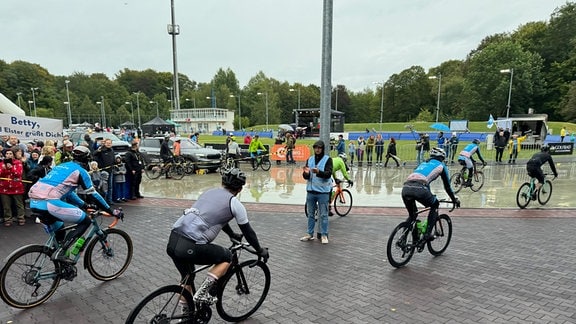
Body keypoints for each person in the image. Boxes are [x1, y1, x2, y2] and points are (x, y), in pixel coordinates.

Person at [166, 168, 269, 305]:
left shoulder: (209, 192)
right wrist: (260, 250)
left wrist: (231, 234)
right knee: (227, 256)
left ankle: (186, 317)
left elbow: (218, 219)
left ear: (222, 182)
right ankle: (202, 295)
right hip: (191, 244)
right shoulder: (235, 203)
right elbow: (248, 232)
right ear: (240, 189)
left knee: (187, 278)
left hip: (173, 239)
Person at [28, 146, 121, 263]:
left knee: (60, 229)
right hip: (49, 202)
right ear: (88, 159)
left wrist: (84, 205)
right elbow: (93, 194)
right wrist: (111, 211)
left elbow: (67, 193)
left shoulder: (61, 166)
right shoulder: (81, 171)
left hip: (34, 201)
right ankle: (61, 252)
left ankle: (60, 263)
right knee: (85, 221)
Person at [401, 148, 459, 242]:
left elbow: (422, 180)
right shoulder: (441, 165)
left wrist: (430, 195)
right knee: (435, 205)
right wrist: (453, 199)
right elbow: (447, 187)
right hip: (420, 189)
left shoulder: (423, 163)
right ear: (441, 158)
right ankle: (427, 235)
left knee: (412, 215)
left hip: (406, 188)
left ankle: (403, 239)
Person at [301, 140, 333, 244]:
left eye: (319, 148)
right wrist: (305, 173)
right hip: (311, 191)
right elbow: (306, 176)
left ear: (322, 149)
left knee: (323, 214)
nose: (317, 150)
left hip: (323, 192)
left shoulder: (328, 160)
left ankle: (324, 235)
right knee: (310, 214)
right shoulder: (309, 159)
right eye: (315, 148)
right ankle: (309, 234)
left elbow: (328, 174)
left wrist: (319, 172)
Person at [1, 148, 26, 226]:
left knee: (19, 204)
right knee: (6, 205)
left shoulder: (18, 163)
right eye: (7, 154)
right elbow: (1, 174)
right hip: (4, 187)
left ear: (13, 155)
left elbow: (18, 174)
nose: (9, 155)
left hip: (16, 187)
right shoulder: (1, 163)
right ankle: (8, 219)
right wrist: (4, 169)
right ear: (5, 155)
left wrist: (11, 168)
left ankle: (21, 218)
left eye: (10, 153)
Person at [93, 138, 116, 203]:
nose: (109, 144)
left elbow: (113, 159)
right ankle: (103, 201)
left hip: (110, 170)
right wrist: (97, 151)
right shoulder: (101, 150)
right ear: (105, 143)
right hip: (103, 171)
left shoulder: (112, 150)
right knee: (102, 187)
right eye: (107, 143)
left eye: (110, 143)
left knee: (110, 187)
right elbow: (94, 154)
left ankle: (109, 200)